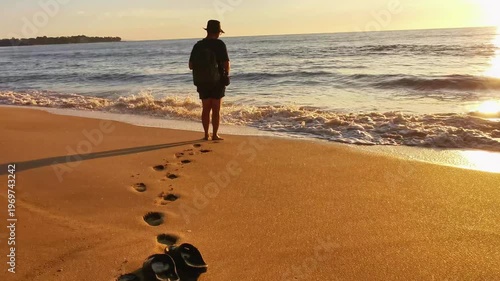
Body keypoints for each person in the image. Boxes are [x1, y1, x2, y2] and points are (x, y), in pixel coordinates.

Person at [189, 20, 230, 141]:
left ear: (207, 30)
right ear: (218, 32)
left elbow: (191, 65)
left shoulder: (198, 45)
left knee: (206, 108)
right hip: (217, 81)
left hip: (202, 81)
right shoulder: (220, 44)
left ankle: (206, 135)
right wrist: (226, 75)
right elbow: (226, 62)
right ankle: (215, 135)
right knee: (216, 108)